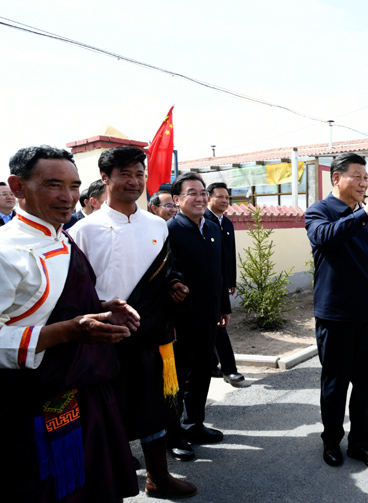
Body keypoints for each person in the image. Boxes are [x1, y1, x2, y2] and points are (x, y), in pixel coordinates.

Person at [0, 145, 140, 501]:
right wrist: (68, 331)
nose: (68, 197)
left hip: (86, 389)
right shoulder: (7, 251)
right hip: (33, 396)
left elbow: (64, 303)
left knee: (93, 483)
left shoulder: (59, 235)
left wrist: (104, 308)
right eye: (52, 185)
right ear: (17, 187)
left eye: (74, 186)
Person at [70, 146, 197, 498]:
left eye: (139, 174)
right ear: (105, 178)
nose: (134, 181)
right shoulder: (84, 230)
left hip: (151, 335)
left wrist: (175, 285)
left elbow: (167, 270)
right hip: (104, 337)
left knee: (154, 409)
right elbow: (76, 291)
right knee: (108, 413)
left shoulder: (158, 224)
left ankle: (158, 477)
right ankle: (113, 481)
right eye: (125, 174)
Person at [305, 152, 368, 470]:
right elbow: (325, 238)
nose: (363, 183)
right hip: (336, 315)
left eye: (366, 178)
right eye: (357, 176)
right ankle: (330, 441)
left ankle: (360, 443)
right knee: (335, 383)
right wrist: (363, 214)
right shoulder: (319, 212)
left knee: (366, 382)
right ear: (336, 178)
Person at [166, 173, 231, 459]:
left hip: (209, 317)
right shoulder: (169, 231)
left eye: (202, 192)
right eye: (192, 192)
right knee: (176, 380)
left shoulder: (212, 228)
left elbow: (217, 273)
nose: (200, 197)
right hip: (181, 321)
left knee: (203, 372)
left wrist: (223, 308)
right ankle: (173, 433)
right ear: (177, 199)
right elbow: (163, 277)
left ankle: (194, 424)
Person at [204, 182, 244, 385]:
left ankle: (213, 365)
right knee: (219, 325)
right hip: (208, 283)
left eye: (227, 198)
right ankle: (229, 369)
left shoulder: (227, 223)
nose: (224, 201)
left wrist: (231, 280)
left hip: (222, 282)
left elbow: (230, 255)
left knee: (217, 324)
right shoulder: (203, 222)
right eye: (219, 197)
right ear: (208, 198)